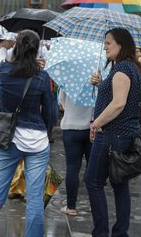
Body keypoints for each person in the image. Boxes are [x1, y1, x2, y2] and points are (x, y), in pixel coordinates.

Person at [0, 30, 59, 237]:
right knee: (35, 197)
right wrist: (42, 126)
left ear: (16, 46)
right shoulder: (42, 77)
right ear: (36, 50)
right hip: (37, 140)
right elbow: (52, 114)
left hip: (9, 138)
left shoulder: (2, 70)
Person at [84, 28, 141, 237]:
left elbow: (118, 104)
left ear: (121, 44)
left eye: (108, 43)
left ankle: (101, 232)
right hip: (119, 134)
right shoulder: (128, 68)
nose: (105, 46)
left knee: (93, 181)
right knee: (119, 184)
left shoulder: (122, 70)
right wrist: (103, 84)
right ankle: (120, 232)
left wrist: (95, 124)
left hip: (112, 134)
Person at [58, 82, 93, 216]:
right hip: (91, 128)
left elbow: (62, 104)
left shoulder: (67, 81)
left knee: (72, 167)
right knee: (92, 168)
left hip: (71, 127)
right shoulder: (97, 81)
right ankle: (95, 204)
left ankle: (71, 206)